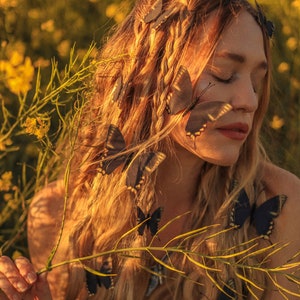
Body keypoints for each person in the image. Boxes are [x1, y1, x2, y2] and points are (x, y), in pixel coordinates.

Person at [0, 0, 299, 299]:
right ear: (150, 72)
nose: (250, 101)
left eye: (258, 83)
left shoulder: (280, 203)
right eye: (223, 74)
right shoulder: (58, 214)